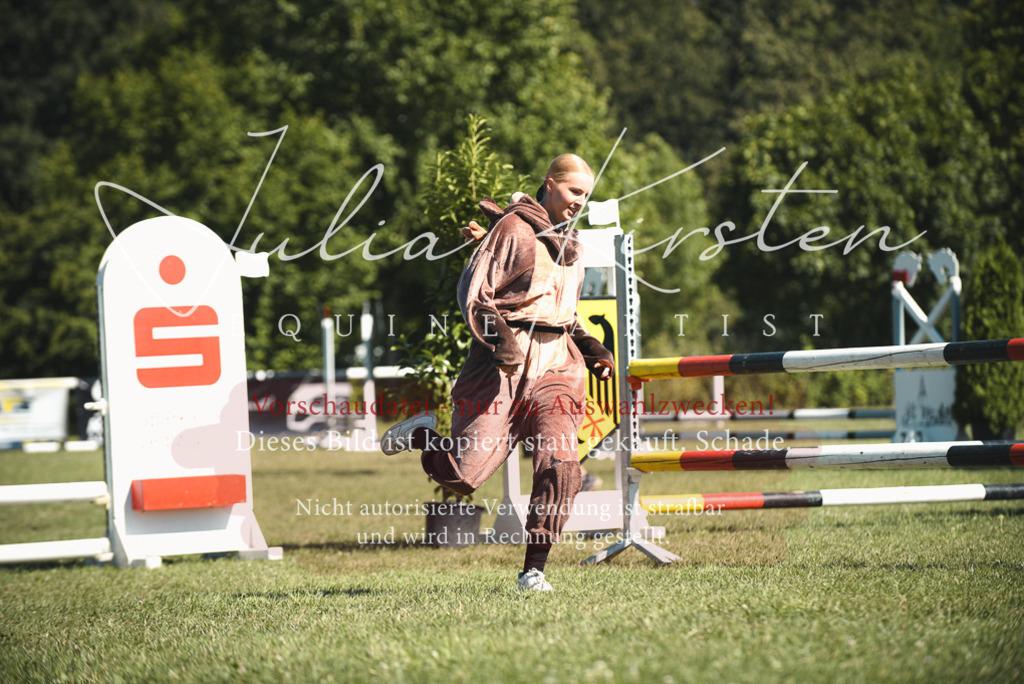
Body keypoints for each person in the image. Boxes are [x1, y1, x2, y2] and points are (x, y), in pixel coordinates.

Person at [381, 154, 614, 592]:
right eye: (573, 191)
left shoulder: (573, 244)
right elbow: (474, 295)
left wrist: (592, 347)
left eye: (586, 195)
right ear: (550, 184)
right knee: (462, 476)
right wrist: (503, 343)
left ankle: (533, 571)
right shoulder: (514, 229)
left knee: (561, 466)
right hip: (502, 366)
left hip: (557, 370)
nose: (579, 201)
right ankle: (423, 435)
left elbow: (565, 313)